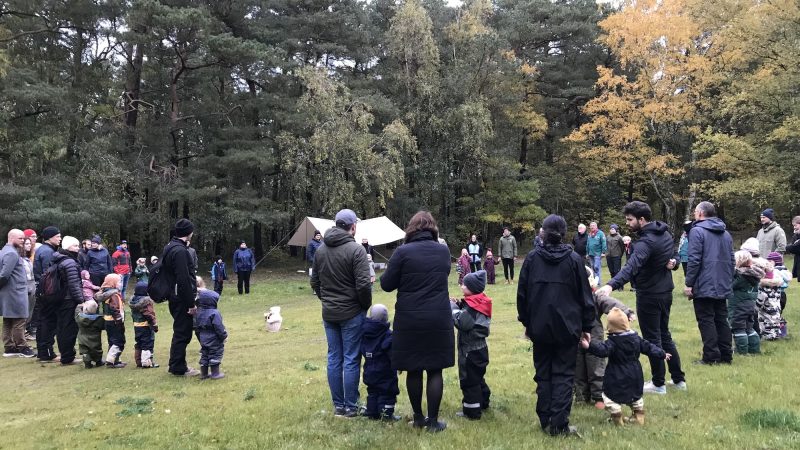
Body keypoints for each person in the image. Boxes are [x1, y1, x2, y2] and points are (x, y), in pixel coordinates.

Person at [596, 201, 686, 395]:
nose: (627, 223)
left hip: (650, 295)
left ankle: (659, 383)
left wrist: (610, 285)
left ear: (642, 219)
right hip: (665, 292)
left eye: (630, 219)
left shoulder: (646, 242)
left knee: (653, 338)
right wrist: (675, 262)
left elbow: (631, 267)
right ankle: (679, 380)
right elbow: (675, 255)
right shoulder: (665, 234)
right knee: (665, 334)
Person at [517, 214, 594, 436]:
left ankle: (553, 422)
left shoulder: (571, 260)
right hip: (563, 327)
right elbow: (585, 297)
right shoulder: (536, 259)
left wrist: (528, 323)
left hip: (548, 327)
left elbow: (522, 296)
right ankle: (554, 422)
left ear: (544, 232)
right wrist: (586, 327)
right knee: (560, 374)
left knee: (547, 373)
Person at [381, 211, 453, 432]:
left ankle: (419, 418)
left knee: (413, 369)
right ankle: (433, 422)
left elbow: (386, 284)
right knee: (435, 369)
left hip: (409, 318)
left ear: (411, 228)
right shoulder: (443, 251)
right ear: (433, 228)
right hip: (438, 317)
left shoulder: (402, 252)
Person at [311, 209, 372, 418]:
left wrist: (326, 300)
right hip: (352, 313)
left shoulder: (320, 250)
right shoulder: (356, 250)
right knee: (351, 359)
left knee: (334, 358)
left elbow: (314, 282)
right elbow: (364, 285)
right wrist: (364, 306)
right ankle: (351, 407)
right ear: (352, 227)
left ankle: (339, 405)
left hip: (330, 313)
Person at [580, 308, 668, 426]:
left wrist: (588, 346)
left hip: (617, 374)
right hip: (635, 373)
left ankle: (617, 417)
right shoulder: (636, 338)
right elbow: (649, 347)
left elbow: (602, 350)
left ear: (610, 326)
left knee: (609, 396)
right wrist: (662, 354)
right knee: (635, 395)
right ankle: (638, 416)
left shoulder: (612, 342)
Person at [574, 266, 635, 409]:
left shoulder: (596, 296)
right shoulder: (569, 297)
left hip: (594, 338)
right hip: (575, 338)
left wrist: (626, 311)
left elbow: (610, 303)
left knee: (596, 367)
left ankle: (598, 396)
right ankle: (581, 396)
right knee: (577, 368)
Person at [683, 201, 734, 365]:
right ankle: (726, 355)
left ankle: (711, 356)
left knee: (706, 319)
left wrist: (689, 282)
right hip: (722, 281)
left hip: (704, 282)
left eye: (695, 212)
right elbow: (732, 260)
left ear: (700, 213)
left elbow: (694, 260)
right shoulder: (726, 233)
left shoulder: (697, 231)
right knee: (721, 319)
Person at [450, 270, 492, 420]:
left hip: (470, 351)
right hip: (480, 349)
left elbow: (463, 323)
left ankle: (472, 411)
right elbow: (469, 312)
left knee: (469, 380)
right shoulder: (479, 302)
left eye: (464, 285)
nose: (461, 286)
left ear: (472, 288)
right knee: (478, 377)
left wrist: (453, 308)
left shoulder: (473, 307)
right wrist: (460, 304)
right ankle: (484, 401)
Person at [162, 218, 200, 377]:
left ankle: (176, 364)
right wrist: (191, 304)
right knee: (182, 333)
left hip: (174, 296)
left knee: (180, 331)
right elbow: (183, 279)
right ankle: (178, 367)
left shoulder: (170, 246)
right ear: (189, 233)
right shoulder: (180, 251)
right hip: (181, 298)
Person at [38, 236, 84, 365]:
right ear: (68, 247)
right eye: (75, 246)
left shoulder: (57, 259)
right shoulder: (69, 262)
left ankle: (65, 355)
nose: (78, 248)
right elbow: (74, 284)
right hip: (67, 300)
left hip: (58, 299)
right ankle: (68, 357)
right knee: (68, 329)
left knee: (61, 327)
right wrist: (81, 301)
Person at [360, 304, 400, 421]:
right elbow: (392, 353)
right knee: (387, 392)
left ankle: (372, 412)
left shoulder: (365, 333)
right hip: (385, 371)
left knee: (372, 391)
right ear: (386, 318)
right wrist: (397, 364)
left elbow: (362, 349)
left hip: (369, 369)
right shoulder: (387, 335)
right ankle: (386, 414)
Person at [0, 229, 34, 358]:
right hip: (15, 292)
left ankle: (9, 347)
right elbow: (4, 275)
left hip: (10, 291)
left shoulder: (4, 251)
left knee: (8, 320)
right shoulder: (11, 254)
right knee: (20, 319)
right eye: (20, 238)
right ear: (12, 238)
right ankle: (22, 347)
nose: (23, 240)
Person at [728, 250, 764, 355]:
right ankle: (754, 349)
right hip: (750, 305)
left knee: (738, 328)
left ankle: (742, 351)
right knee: (749, 328)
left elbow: (731, 286)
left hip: (738, 305)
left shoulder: (741, 276)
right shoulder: (754, 275)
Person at [195, 278, 227, 379]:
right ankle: (215, 373)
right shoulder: (214, 312)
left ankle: (204, 374)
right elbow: (218, 326)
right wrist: (224, 336)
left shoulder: (198, 312)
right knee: (215, 353)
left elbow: (196, 326)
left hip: (203, 337)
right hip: (214, 338)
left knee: (205, 354)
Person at [98, 273, 126, 368]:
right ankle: (111, 361)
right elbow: (114, 308)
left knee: (112, 340)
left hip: (108, 321)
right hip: (114, 321)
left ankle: (116, 360)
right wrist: (119, 320)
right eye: (118, 282)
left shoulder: (106, 293)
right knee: (118, 341)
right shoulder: (113, 295)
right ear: (113, 283)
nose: (120, 284)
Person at [130, 281, 158, 368]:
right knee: (147, 344)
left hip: (137, 326)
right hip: (146, 326)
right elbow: (148, 314)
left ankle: (139, 362)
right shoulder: (146, 302)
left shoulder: (133, 301)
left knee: (139, 343)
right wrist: (154, 324)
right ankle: (146, 363)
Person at [756, 258, 784, 340]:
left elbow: (757, 306)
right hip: (775, 320)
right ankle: (775, 334)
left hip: (766, 326)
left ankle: (767, 336)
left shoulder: (763, 290)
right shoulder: (777, 288)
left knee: (763, 317)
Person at [74, 292, 104, 368]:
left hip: (83, 339)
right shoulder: (99, 319)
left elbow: (77, 311)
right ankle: (98, 361)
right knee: (97, 350)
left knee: (85, 351)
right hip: (95, 339)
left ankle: (87, 363)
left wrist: (80, 305)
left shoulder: (80, 318)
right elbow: (103, 326)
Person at [21, 237, 36, 341]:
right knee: (24, 311)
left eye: (29, 244)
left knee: (30, 311)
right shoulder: (19, 258)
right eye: (26, 243)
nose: (29, 245)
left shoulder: (28, 258)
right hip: (25, 285)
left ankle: (25, 331)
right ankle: (21, 334)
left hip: (32, 284)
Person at [784, 216, 800, 282]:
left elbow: (795, 248)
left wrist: (790, 246)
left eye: (795, 225)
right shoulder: (796, 235)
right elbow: (793, 247)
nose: (794, 227)